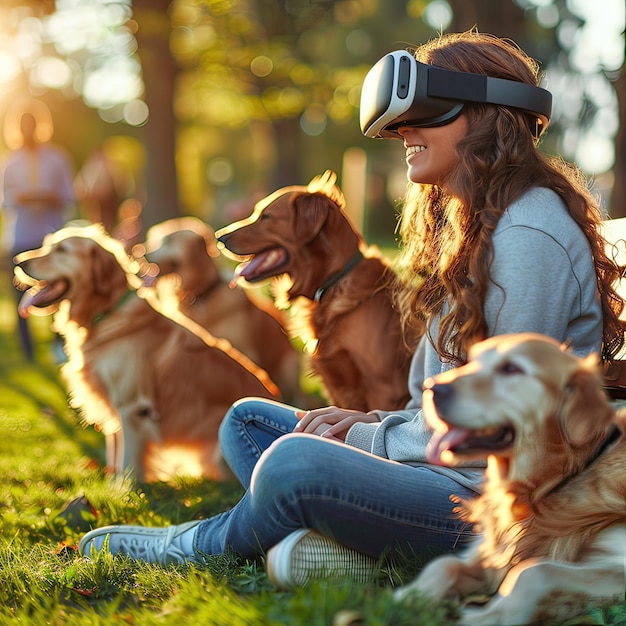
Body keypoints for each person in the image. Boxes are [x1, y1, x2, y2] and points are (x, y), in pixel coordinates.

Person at [78, 30, 624, 588]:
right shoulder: (477, 227)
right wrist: (373, 424)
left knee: (293, 465)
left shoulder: (528, 233)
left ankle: (199, 543)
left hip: (485, 499)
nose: (404, 128)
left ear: (490, 115)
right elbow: (430, 408)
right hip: (437, 463)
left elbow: (499, 427)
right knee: (248, 422)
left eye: (427, 109)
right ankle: (337, 547)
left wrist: (367, 440)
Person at [1, 101, 75, 360]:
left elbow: (69, 195)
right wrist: (22, 197)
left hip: (50, 236)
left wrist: (48, 197)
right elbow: (4, 201)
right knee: (18, 291)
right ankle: (27, 351)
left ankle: (61, 343)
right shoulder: (9, 162)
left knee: (60, 289)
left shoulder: (57, 158)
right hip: (20, 236)